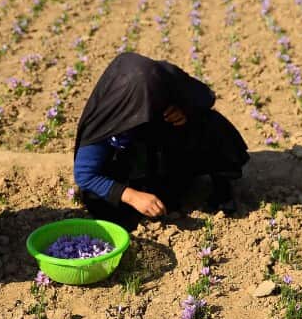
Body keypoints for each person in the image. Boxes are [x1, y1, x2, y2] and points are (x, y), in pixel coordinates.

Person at [73, 52, 249, 228]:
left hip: (161, 152)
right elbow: (85, 175)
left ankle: (220, 187)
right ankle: (163, 192)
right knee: (102, 204)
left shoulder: (161, 77)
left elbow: (203, 97)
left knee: (211, 124)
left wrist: (185, 110)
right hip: (131, 164)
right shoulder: (110, 115)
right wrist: (132, 196)